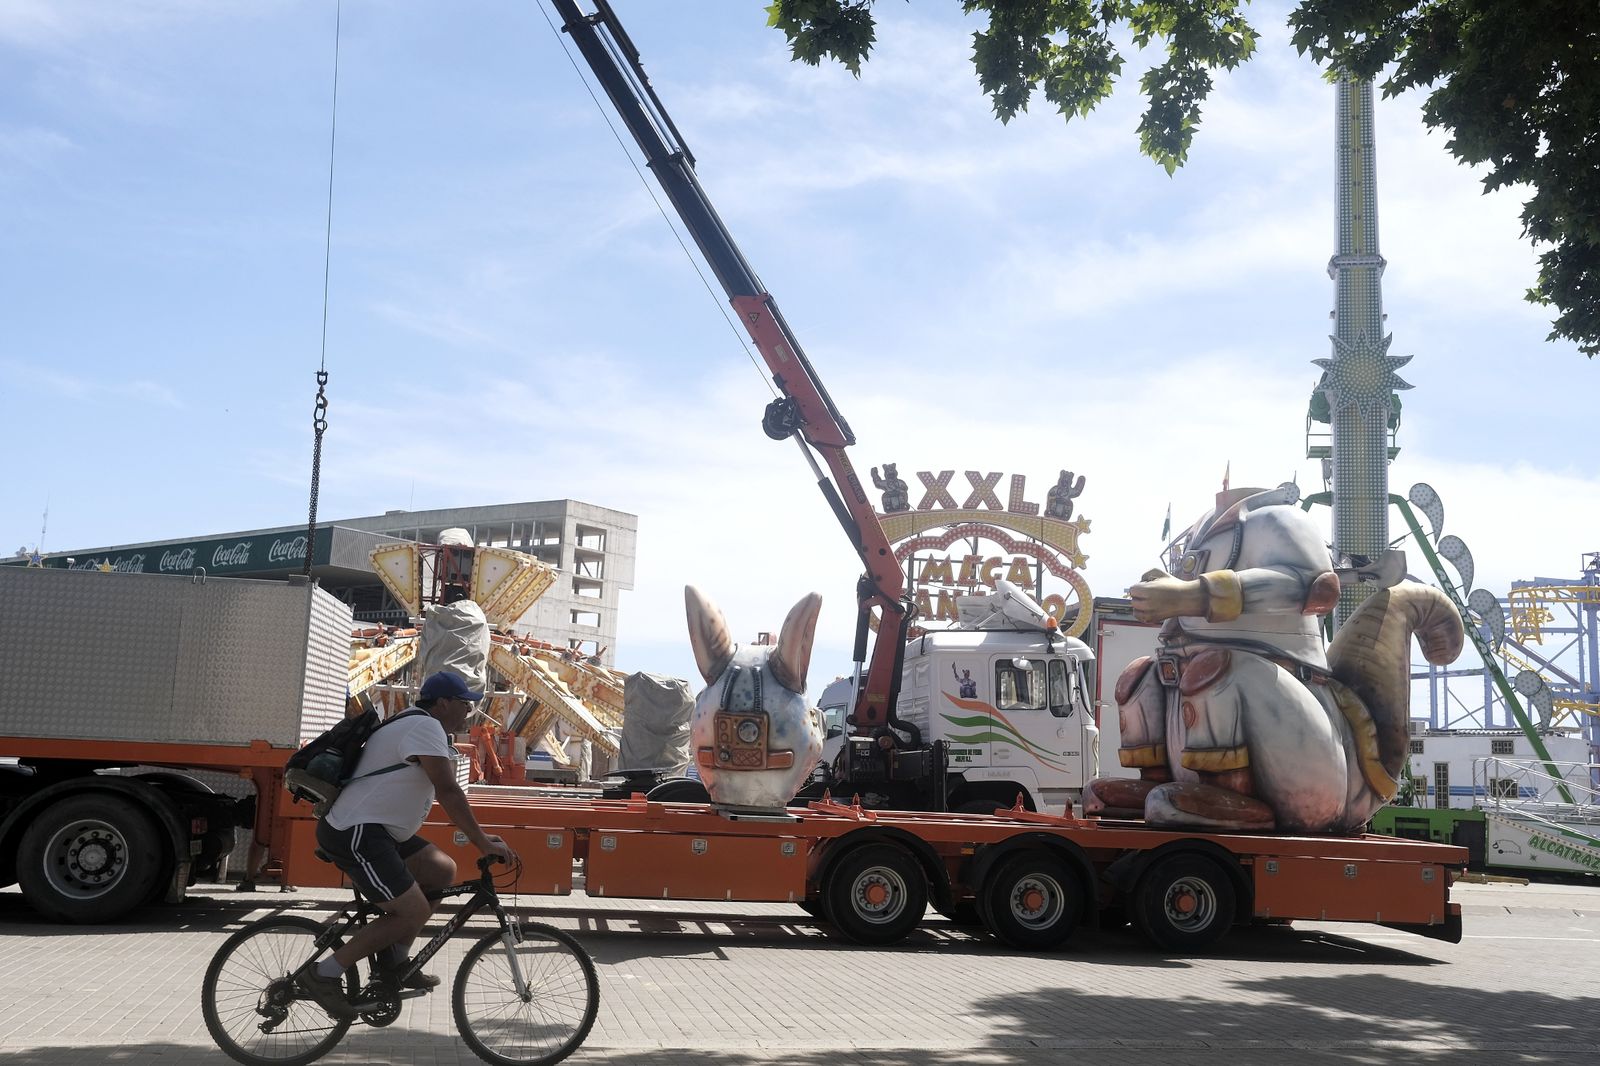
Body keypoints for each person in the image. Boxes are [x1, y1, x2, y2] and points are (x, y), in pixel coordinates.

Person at [299, 671, 517, 1018]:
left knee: (441, 869)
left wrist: (480, 836)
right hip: (356, 831)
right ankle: (323, 974)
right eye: (465, 704)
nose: (469, 712)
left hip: (377, 832)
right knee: (411, 910)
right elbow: (448, 790)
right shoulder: (425, 727)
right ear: (443, 702)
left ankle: (395, 962)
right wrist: (481, 841)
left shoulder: (415, 724)